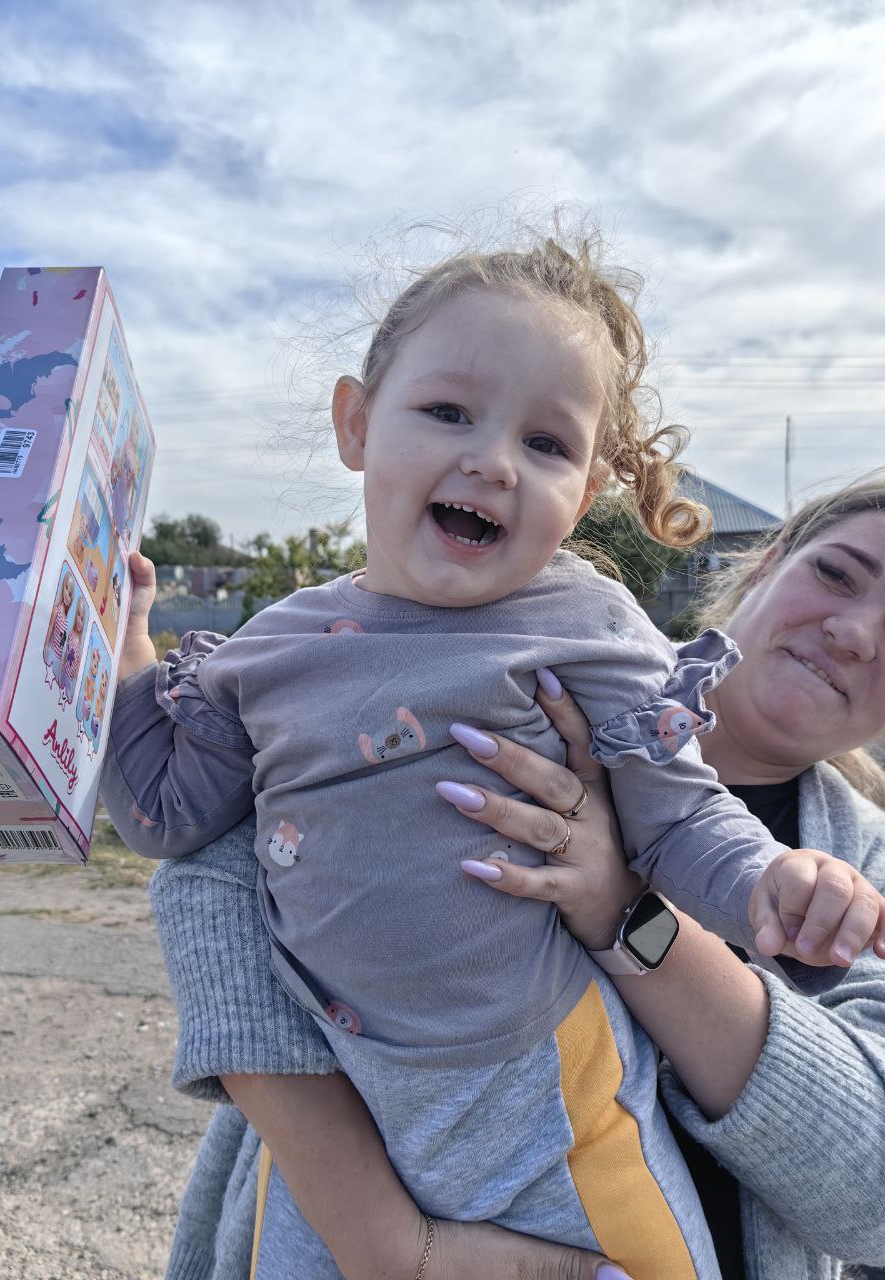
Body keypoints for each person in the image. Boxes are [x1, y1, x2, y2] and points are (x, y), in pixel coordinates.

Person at [102, 231, 885, 1279]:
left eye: (547, 443)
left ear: (587, 492)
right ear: (355, 423)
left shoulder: (592, 638)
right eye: (448, 411)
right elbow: (180, 835)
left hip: (548, 1113)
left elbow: (685, 819)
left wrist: (752, 888)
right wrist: (121, 664)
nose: (495, 460)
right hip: (346, 1134)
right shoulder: (278, 653)